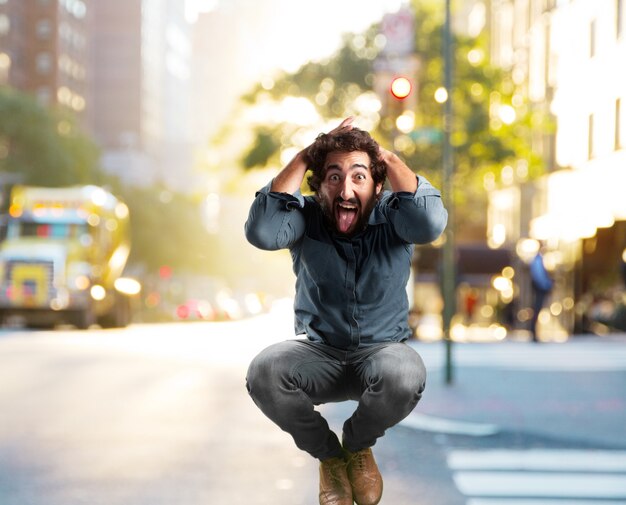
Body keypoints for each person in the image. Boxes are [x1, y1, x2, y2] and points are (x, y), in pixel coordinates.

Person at [244, 117, 447, 505]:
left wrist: (383, 154)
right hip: (320, 355)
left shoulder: (395, 216)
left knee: (404, 373)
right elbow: (262, 231)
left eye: (359, 176)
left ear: (377, 184)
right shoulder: (304, 216)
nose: (346, 188)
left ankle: (356, 448)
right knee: (264, 372)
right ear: (319, 186)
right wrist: (307, 154)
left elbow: (430, 222)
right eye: (333, 177)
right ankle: (331, 457)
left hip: (381, 354)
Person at [529, 249, 553, 342]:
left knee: (537, 310)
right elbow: (538, 276)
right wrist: (547, 285)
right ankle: (533, 332)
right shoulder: (538, 260)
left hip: (540, 288)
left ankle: (534, 332)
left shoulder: (538, 260)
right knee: (537, 310)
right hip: (540, 289)